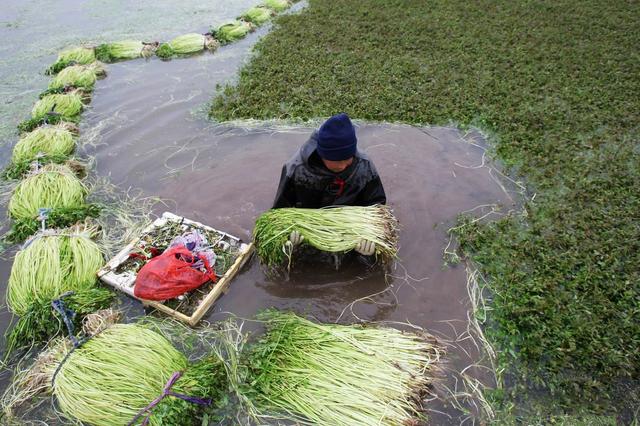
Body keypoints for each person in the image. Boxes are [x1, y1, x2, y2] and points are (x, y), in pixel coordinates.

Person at [272, 112, 386, 257]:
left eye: (348, 158)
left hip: (349, 232)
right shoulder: (295, 169)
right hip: (310, 231)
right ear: (322, 154)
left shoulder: (365, 166)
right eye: (338, 161)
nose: (344, 165)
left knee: (365, 262)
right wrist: (287, 238)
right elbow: (280, 212)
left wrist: (369, 239)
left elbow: (377, 207)